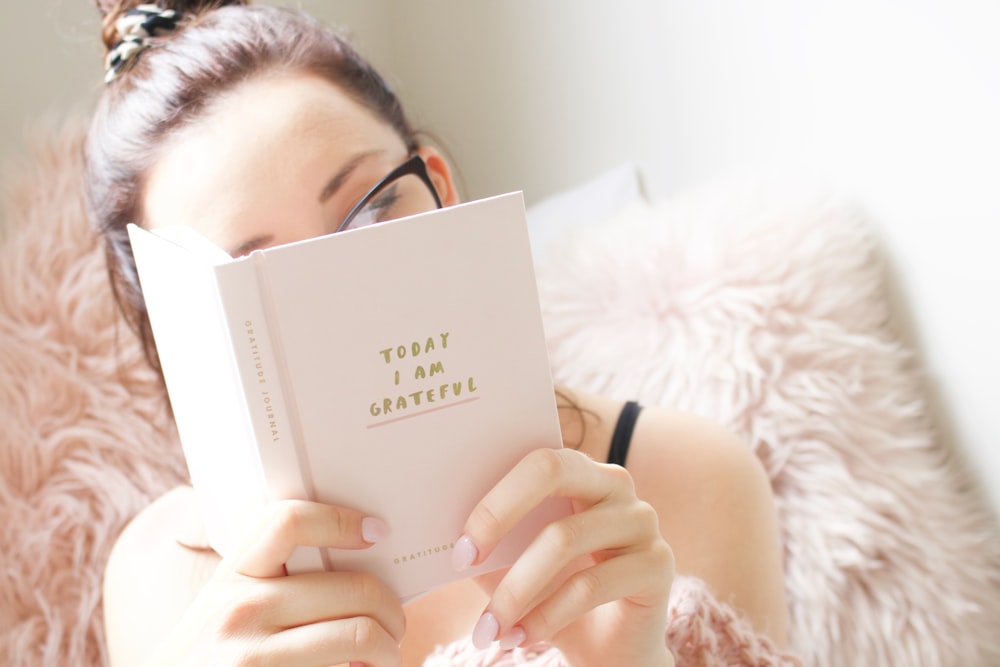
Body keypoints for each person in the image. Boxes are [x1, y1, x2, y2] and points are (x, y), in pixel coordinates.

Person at [87, 2, 791, 665]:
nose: (346, 301)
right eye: (256, 279)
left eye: (368, 212)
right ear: (184, 343)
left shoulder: (694, 481)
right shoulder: (159, 572)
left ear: (442, 193)